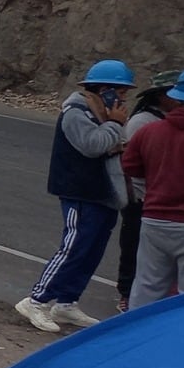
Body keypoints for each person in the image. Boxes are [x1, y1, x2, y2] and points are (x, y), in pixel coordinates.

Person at [16, 60, 134, 333]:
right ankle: (37, 300)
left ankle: (67, 301)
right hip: (80, 190)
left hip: (103, 192)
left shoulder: (103, 113)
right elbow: (93, 146)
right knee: (75, 246)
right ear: (104, 89)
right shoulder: (77, 111)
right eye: (120, 91)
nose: (123, 97)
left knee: (92, 250)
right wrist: (116, 125)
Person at [120, 66, 184, 309]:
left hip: (154, 220)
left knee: (146, 289)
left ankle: (136, 340)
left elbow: (130, 166)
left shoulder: (150, 130)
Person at [115, 72, 177, 308]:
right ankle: (127, 293)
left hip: (157, 196)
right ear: (162, 96)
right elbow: (131, 163)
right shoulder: (143, 122)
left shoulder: (164, 120)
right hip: (139, 196)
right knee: (133, 246)